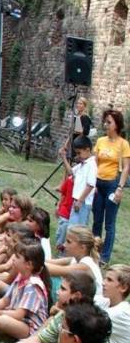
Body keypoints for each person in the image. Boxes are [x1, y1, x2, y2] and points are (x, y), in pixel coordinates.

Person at [0, 241, 49, 340]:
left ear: (28, 264)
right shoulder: (21, 276)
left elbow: (18, 315)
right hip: (16, 318)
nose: (13, 258)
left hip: (30, 328)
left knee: (2, 321)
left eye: (17, 257)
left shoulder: (33, 286)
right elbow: (5, 301)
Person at [90, 109, 130, 265]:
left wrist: (120, 188)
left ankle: (105, 257)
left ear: (117, 125)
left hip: (112, 184)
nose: (105, 124)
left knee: (109, 223)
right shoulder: (100, 141)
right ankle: (94, 252)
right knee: (97, 220)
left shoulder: (123, 144)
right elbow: (95, 161)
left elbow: (126, 168)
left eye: (109, 122)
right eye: (105, 121)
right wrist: (92, 183)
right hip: (98, 182)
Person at [56, 137, 97, 248]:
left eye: (79, 153)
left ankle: (75, 254)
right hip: (77, 202)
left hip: (82, 203)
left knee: (78, 232)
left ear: (87, 150)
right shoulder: (83, 164)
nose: (78, 156)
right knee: (72, 229)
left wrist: (80, 201)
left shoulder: (91, 165)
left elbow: (90, 185)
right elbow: (71, 173)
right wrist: (64, 158)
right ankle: (69, 253)